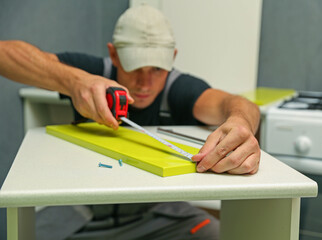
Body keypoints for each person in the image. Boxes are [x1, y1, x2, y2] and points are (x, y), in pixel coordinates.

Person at [0, 4, 260, 240]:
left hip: (157, 213)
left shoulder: (178, 89)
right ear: (114, 55)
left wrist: (240, 121)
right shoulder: (92, 74)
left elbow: (237, 105)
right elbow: (5, 54)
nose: (145, 84)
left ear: (173, 57)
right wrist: (73, 81)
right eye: (135, 67)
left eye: (157, 69)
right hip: (82, 212)